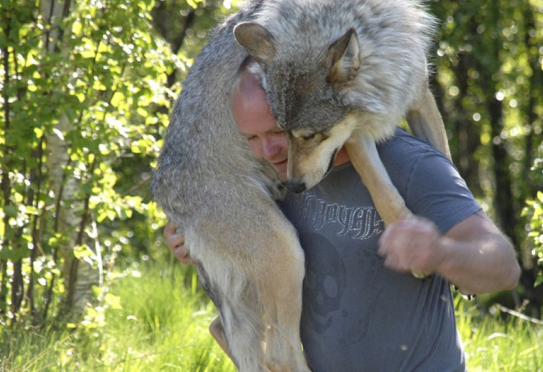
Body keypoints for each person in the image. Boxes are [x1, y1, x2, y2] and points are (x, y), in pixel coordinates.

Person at [164, 58, 520, 371]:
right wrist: (197, 240)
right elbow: (263, 269)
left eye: (276, 131)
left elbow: (504, 268)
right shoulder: (270, 178)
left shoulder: (410, 165)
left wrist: (441, 252)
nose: (267, 149)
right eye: (250, 137)